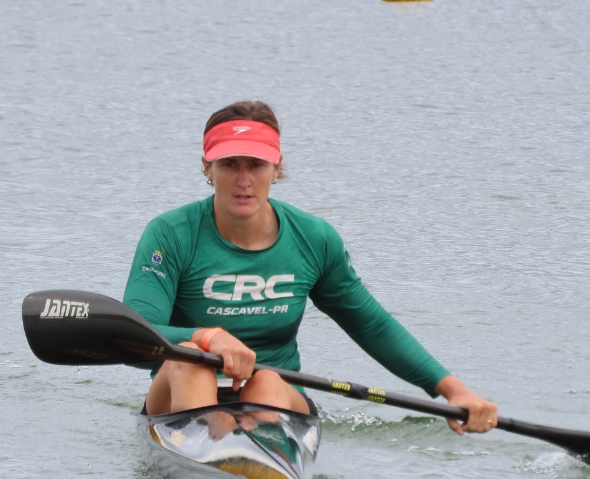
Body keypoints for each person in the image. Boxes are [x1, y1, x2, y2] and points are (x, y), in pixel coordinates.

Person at [122, 101, 498, 435]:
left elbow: (371, 324)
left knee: (266, 379)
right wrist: (206, 338)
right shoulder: (170, 235)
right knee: (191, 360)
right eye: (228, 165)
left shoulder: (314, 238)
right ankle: (214, 450)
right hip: (179, 395)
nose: (243, 181)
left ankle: (250, 461)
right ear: (207, 167)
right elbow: (134, 336)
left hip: (276, 393)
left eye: (256, 165)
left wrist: (452, 390)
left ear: (276, 167)